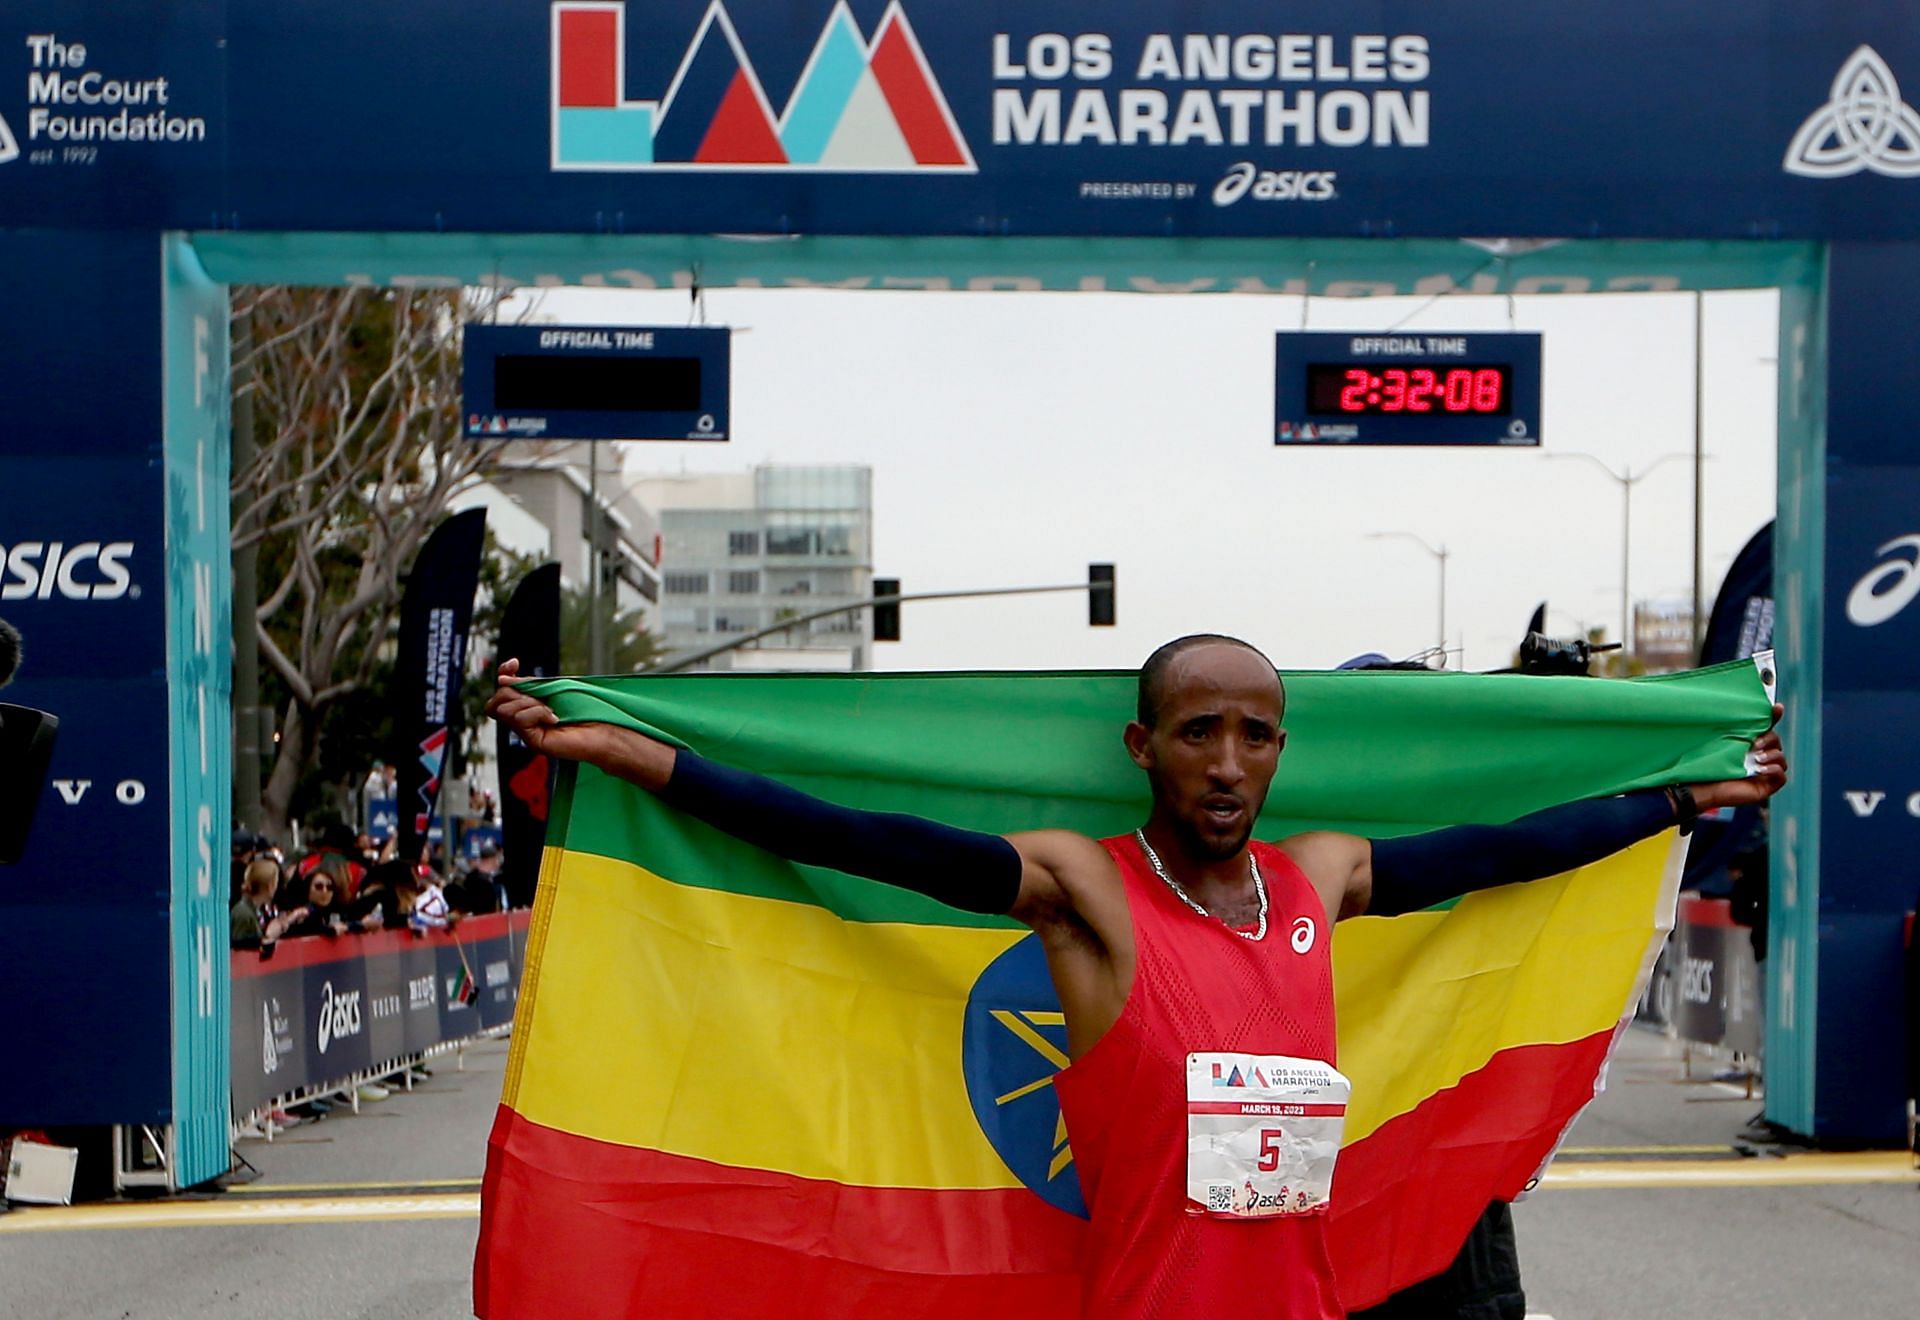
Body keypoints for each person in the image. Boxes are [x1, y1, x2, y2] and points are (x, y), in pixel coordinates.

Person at [487, 636, 1786, 1318]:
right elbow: (862, 841)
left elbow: (1505, 849)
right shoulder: (1085, 886)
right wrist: (646, 760)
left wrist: (1677, 794)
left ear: (1283, 751)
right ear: (1143, 745)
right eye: (1197, 732)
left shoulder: (1320, 878)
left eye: (1256, 735)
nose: (1227, 763)